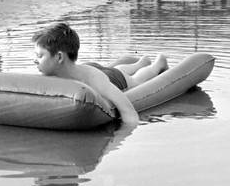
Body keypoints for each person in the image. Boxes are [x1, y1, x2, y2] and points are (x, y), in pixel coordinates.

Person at [31, 23, 169, 129]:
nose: (35, 60)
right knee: (113, 70)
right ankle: (141, 62)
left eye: (40, 56)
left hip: (108, 77)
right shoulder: (51, 72)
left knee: (135, 80)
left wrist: (121, 139)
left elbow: (128, 111)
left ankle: (157, 64)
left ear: (59, 57)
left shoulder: (94, 79)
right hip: (82, 68)